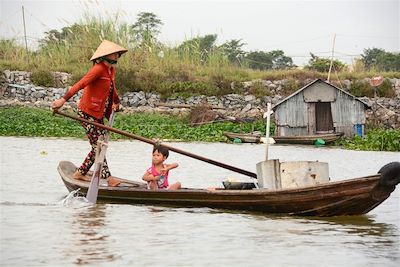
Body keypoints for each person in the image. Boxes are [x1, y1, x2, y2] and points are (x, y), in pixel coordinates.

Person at [52, 40, 127, 187]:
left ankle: (80, 172)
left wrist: (116, 102)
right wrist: (63, 100)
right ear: (106, 55)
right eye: (115, 53)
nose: (118, 55)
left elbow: (113, 88)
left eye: (118, 53)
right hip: (87, 113)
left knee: (99, 145)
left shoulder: (111, 70)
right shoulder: (98, 69)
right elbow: (81, 84)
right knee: (98, 146)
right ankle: (109, 178)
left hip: (98, 113)